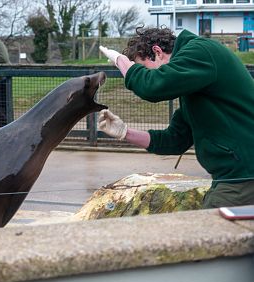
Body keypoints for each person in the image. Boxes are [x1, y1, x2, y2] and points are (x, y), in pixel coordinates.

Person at [99, 26, 254, 209]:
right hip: (233, 176)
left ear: (157, 52)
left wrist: (122, 63)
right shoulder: (193, 84)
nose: (146, 74)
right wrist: (124, 132)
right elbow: (176, 139)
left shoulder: (201, 51)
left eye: (144, 69)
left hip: (244, 175)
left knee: (212, 229)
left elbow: (152, 86)